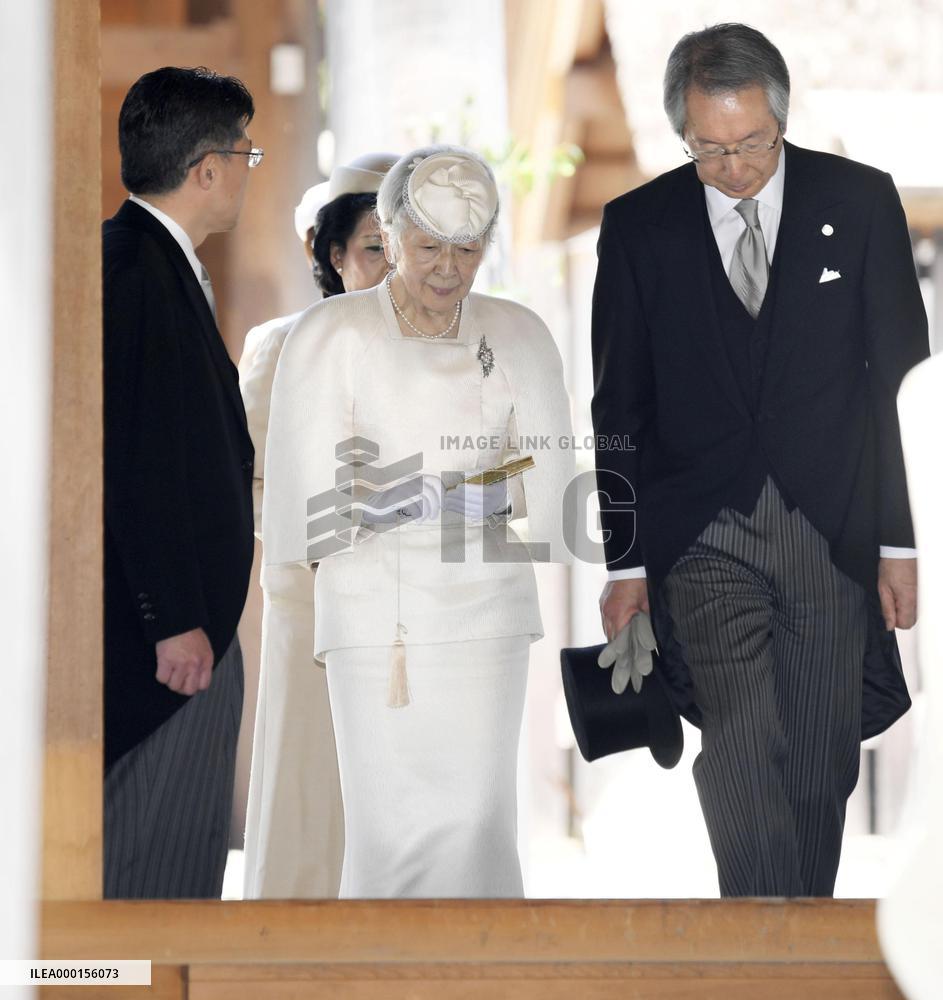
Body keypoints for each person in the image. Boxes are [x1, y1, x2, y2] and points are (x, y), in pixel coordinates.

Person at [591, 23, 929, 897]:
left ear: (780, 120)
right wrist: (624, 559)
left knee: (819, 757)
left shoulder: (858, 201)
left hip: (831, 526)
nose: (734, 168)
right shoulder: (638, 227)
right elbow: (616, 405)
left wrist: (900, 543)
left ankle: (797, 938)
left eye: (751, 145)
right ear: (681, 134)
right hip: (701, 530)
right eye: (708, 150)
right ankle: (761, 943)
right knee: (738, 740)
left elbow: (896, 382)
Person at [262, 145, 574, 898]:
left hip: (487, 624)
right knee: (386, 835)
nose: (447, 269)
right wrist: (466, 490)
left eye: (466, 249)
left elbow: (556, 494)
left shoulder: (521, 332)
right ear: (391, 235)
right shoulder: (328, 336)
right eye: (428, 247)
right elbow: (306, 511)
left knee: (476, 824)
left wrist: (407, 497)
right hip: (375, 628)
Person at [102, 66, 259, 898]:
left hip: (188, 627)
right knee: (149, 870)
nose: (246, 171)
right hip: (164, 648)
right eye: (246, 154)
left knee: (180, 864)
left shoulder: (158, 261)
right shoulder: (130, 268)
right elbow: (133, 457)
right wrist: (175, 620)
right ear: (207, 167)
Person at [239, 152, 398, 899]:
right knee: (310, 791)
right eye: (374, 245)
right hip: (311, 610)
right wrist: (331, 534)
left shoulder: (456, 347)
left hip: (417, 615)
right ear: (333, 255)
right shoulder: (281, 345)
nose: (393, 264)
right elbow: (248, 480)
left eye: (410, 243)